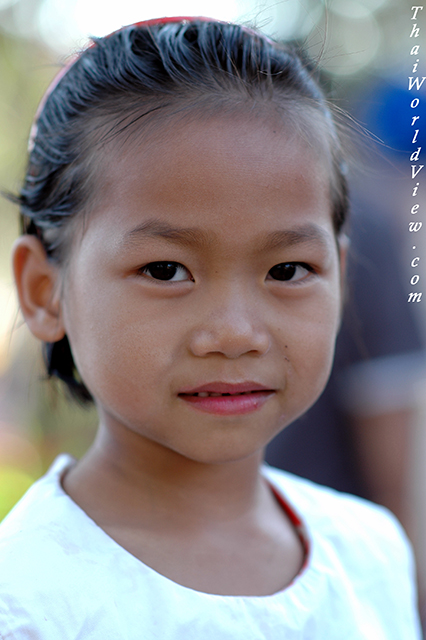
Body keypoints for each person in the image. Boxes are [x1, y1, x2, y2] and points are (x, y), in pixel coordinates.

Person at [0, 17, 421, 638]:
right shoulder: (28, 596)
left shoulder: (371, 552)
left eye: (288, 269)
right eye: (166, 270)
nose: (234, 332)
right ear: (44, 290)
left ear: (341, 276)